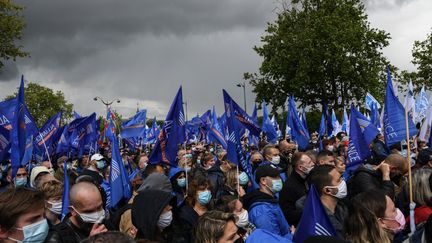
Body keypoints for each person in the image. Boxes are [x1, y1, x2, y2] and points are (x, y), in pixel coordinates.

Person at [242, 164, 292, 240]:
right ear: (263, 181)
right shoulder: (262, 210)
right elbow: (272, 240)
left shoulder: (270, 200)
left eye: (279, 176)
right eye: (275, 177)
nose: (280, 179)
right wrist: (291, 235)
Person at [307, 165, 349, 238]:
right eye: (339, 180)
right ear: (328, 190)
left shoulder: (341, 206)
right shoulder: (321, 225)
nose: (343, 182)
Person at [279, 152, 314, 226]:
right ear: (300, 167)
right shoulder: (289, 187)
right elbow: (289, 214)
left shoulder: (309, 179)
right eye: (309, 162)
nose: (313, 164)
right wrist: (310, 213)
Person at [178, 176, 213, 242]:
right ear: (194, 193)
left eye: (208, 189)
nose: (206, 192)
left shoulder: (213, 209)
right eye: (202, 190)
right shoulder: (185, 214)